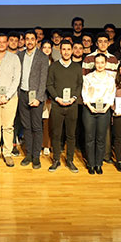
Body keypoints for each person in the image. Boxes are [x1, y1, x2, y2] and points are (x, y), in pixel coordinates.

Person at [46, 40, 82, 173]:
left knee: (71, 135)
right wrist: (57, 98)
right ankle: (56, 160)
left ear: (72, 51)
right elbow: (49, 85)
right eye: (64, 49)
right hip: (57, 105)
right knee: (56, 134)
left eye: (68, 49)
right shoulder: (54, 66)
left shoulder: (77, 67)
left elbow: (79, 85)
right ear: (60, 51)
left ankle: (70, 160)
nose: (66, 52)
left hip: (72, 105)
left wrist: (73, 98)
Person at [16, 30, 50, 169]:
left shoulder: (42, 57)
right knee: (26, 126)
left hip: (36, 96)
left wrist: (39, 98)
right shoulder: (19, 55)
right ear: (24, 41)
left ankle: (36, 156)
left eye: (32, 39)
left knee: (36, 127)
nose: (29, 41)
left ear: (36, 41)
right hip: (22, 94)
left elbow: (43, 80)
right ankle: (29, 154)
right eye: (27, 39)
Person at [0, 33, 21, 167]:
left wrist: (7, 96)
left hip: (10, 98)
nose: (1, 44)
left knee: (8, 127)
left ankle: (7, 153)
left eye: (4, 42)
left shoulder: (14, 58)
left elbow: (16, 79)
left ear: (7, 43)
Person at [82, 53, 116, 174]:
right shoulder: (88, 77)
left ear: (106, 63)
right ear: (94, 63)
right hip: (90, 108)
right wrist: (90, 107)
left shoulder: (110, 78)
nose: (100, 65)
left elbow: (112, 94)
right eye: (97, 62)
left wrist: (106, 108)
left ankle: (98, 164)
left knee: (101, 138)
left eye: (102, 62)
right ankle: (91, 164)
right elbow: (84, 93)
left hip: (105, 109)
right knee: (89, 137)